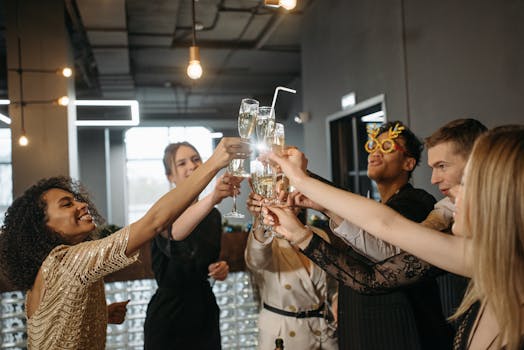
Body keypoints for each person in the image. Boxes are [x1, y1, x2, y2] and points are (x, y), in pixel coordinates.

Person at [265, 126, 524, 350]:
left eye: (466, 183)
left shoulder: (427, 210)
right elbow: (383, 222)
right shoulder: (485, 259)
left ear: (499, 197)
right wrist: (303, 210)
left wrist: (301, 179)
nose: (448, 191)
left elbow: (385, 228)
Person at [0, 137, 248, 350]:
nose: (82, 205)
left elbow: (55, 328)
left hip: (204, 314)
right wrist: (216, 162)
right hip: (172, 320)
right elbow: (155, 223)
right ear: (42, 227)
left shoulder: (51, 268)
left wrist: (99, 316)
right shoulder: (68, 261)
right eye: (67, 204)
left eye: (77, 200)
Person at [293, 119, 486, 322]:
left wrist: (303, 181)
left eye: (386, 147)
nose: (434, 179)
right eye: (373, 146)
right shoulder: (445, 208)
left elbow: (385, 230)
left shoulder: (419, 201)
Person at [144, 142, 240, 349]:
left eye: (196, 159)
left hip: (205, 312)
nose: (192, 166)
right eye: (182, 163)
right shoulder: (163, 211)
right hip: (170, 315)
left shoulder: (213, 216)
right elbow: (177, 242)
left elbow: (204, 263)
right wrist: (213, 198)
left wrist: (218, 269)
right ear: (170, 176)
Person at [245, 190, 338, 350]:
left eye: (288, 189)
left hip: (324, 333)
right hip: (284, 337)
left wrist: (336, 300)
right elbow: (256, 259)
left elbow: (331, 284)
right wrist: (259, 218)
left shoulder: (319, 234)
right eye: (278, 190)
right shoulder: (267, 239)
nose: (283, 195)